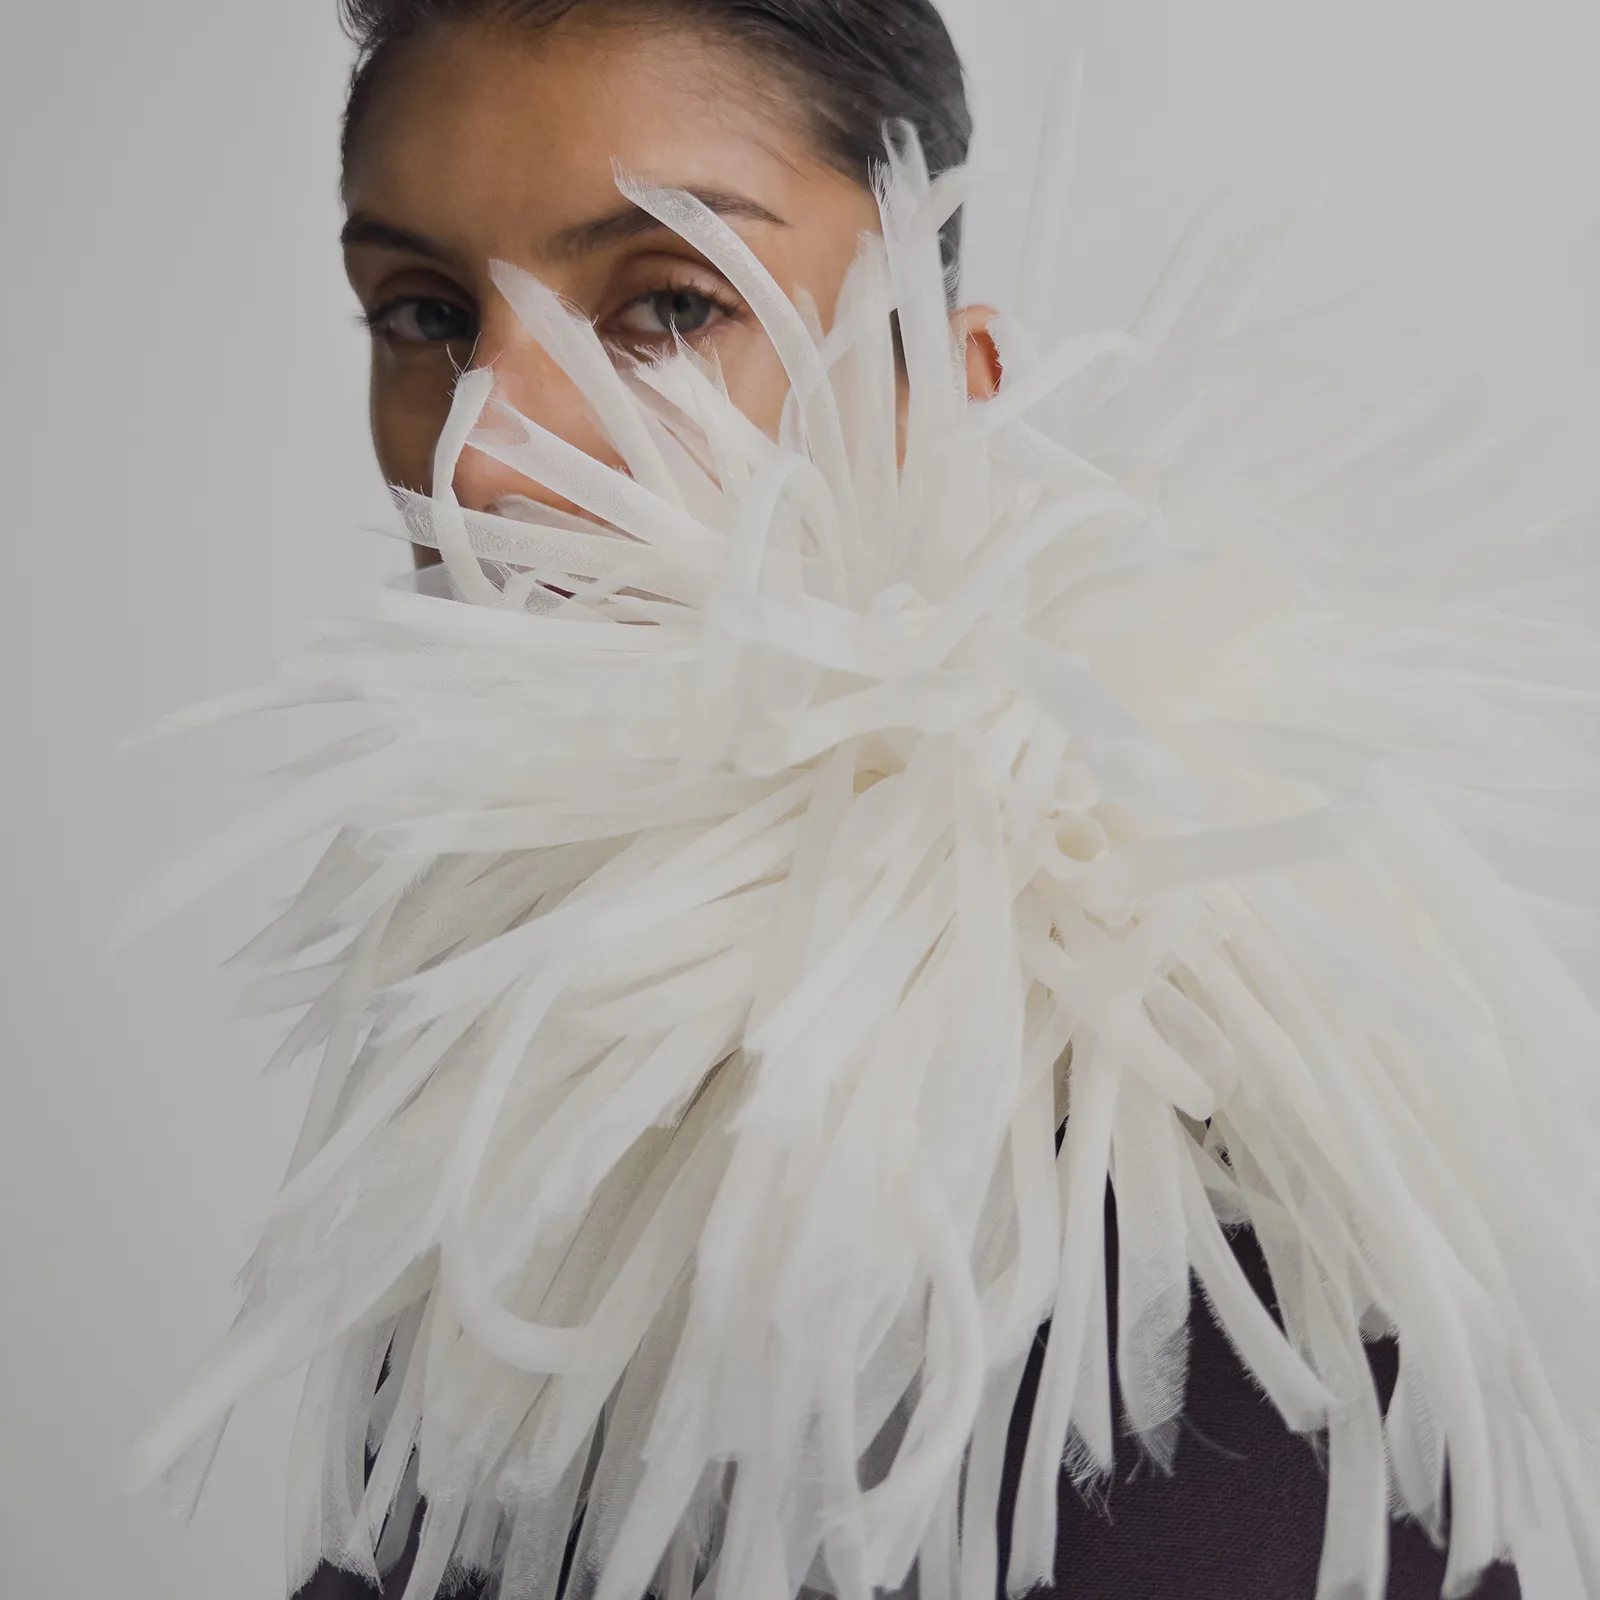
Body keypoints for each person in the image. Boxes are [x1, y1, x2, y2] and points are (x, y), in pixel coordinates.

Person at [129, 1, 1594, 1596]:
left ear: (941, 385)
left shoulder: (1174, 1194)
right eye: (422, 314)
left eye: (668, 307)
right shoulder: (524, 1115)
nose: (485, 456)